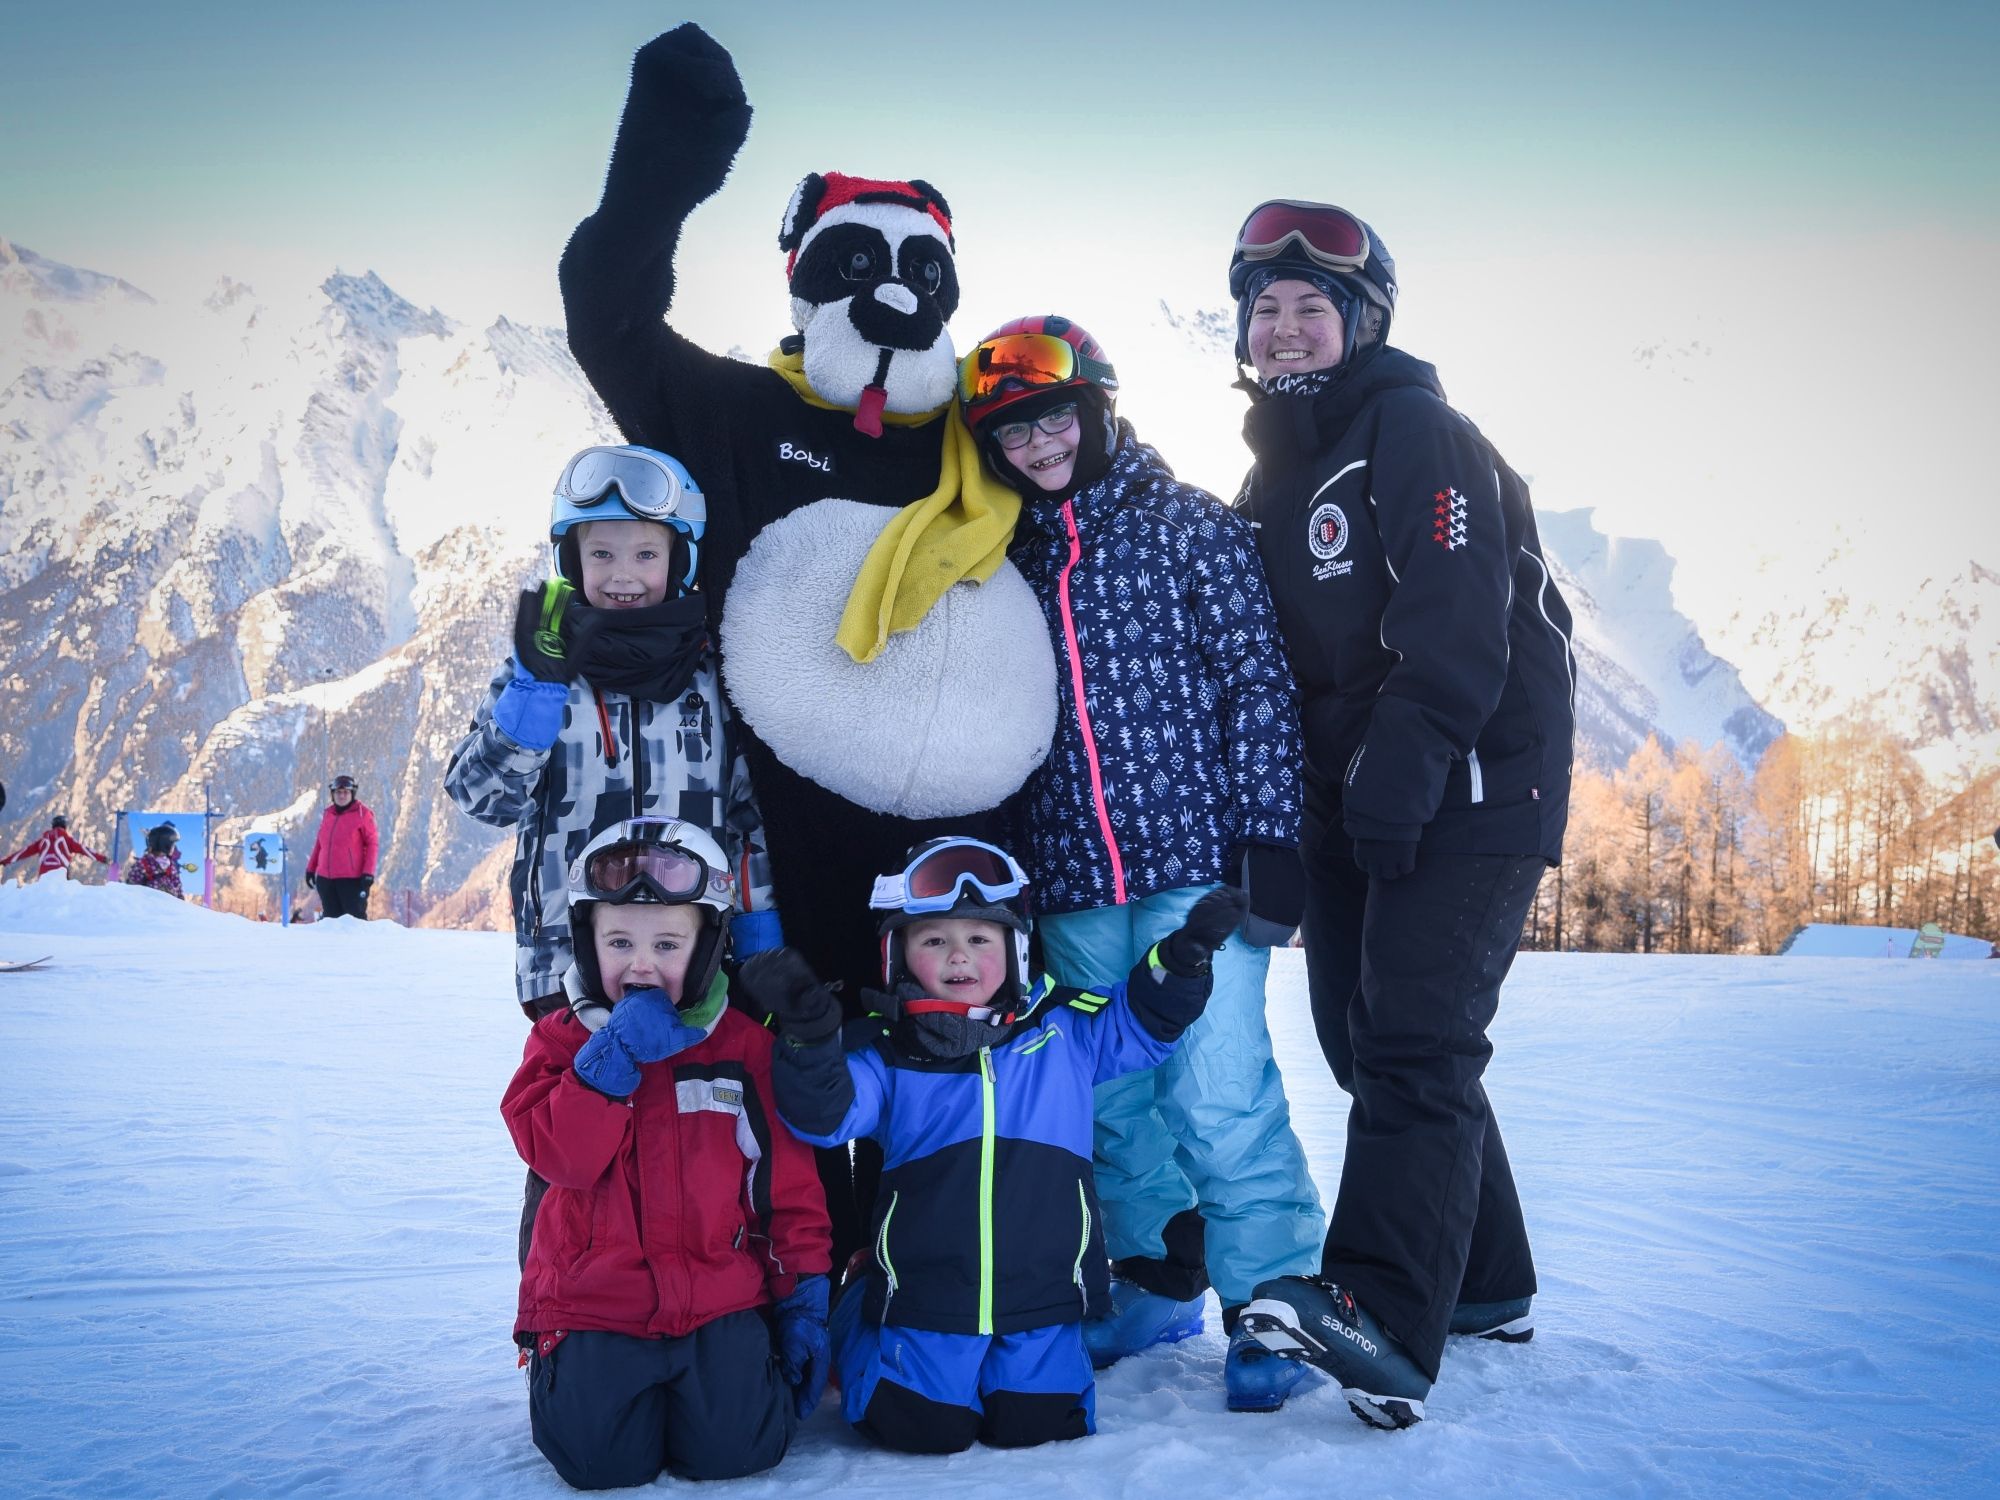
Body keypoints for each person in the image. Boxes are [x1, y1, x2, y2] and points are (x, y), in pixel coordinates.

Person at [1218, 200, 1576, 1428]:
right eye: (1264, 308)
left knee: (1414, 1043)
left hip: (1468, 788)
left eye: (1311, 307)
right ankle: (1482, 1284)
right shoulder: (1273, 472)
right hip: (1359, 801)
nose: (1284, 326)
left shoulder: (1414, 430)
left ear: (1361, 321)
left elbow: (1457, 622)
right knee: (1361, 1040)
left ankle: (1379, 1313)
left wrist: (1396, 778)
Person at [955, 317, 1324, 1410]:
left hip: (1194, 870)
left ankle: (1275, 1303)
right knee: (1110, 1099)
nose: (1036, 446)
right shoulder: (1006, 558)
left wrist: (1269, 837)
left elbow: (1257, 682)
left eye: (1053, 419)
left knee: (1218, 1089)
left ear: (1097, 409)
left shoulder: (1187, 524)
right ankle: (1158, 1275)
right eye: (1011, 432)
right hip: (1072, 879)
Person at [741, 837, 1248, 1453]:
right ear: (898, 956)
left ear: (1016, 949)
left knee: (1041, 1426)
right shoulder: (886, 1052)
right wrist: (811, 1035)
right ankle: (857, 1311)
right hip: (927, 1298)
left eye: (980, 938)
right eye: (934, 939)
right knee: (918, 1427)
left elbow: (1143, 1025)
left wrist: (1183, 959)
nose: (959, 955)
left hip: (1044, 1298)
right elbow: (824, 1119)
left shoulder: (1065, 1030)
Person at [503, 817, 831, 1488]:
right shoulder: (560, 1041)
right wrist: (609, 1060)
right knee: (597, 1465)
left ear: (707, 946)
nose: (642, 964)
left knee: (742, 1452)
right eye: (620, 941)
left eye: (667, 944)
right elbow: (561, 1157)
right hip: (592, 1302)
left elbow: (784, 1186)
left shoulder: (742, 1049)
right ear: (588, 943)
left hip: (718, 1297)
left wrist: (801, 1294)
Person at [446, 444, 775, 1022]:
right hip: (565, 963)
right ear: (572, 562)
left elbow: (751, 819)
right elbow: (482, 800)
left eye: (646, 553)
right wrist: (529, 711)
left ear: (680, 560)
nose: (623, 575)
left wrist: (759, 939)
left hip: (695, 958)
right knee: (577, 1085)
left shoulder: (715, 677)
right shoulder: (542, 671)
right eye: (601, 553)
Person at [303, 775, 378, 919]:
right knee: (330, 922)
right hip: (326, 879)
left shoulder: (363, 814)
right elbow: (320, 843)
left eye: (346, 792)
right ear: (333, 794)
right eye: (338, 792)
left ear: (352, 793)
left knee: (354, 922)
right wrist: (311, 868)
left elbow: (372, 844)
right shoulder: (328, 814)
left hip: (351, 880)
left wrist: (368, 873)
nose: (342, 795)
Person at [3, 815, 109, 880]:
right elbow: (85, 850)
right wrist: (103, 859)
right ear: (64, 826)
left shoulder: (42, 841)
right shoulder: (67, 840)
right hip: (60, 875)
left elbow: (23, 852)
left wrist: (5, 861)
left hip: (43, 874)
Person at [123, 822, 186, 897]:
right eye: (172, 844)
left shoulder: (171, 866)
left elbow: (178, 889)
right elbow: (131, 889)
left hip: (169, 904)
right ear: (164, 844)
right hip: (147, 903)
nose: (174, 847)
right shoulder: (143, 864)